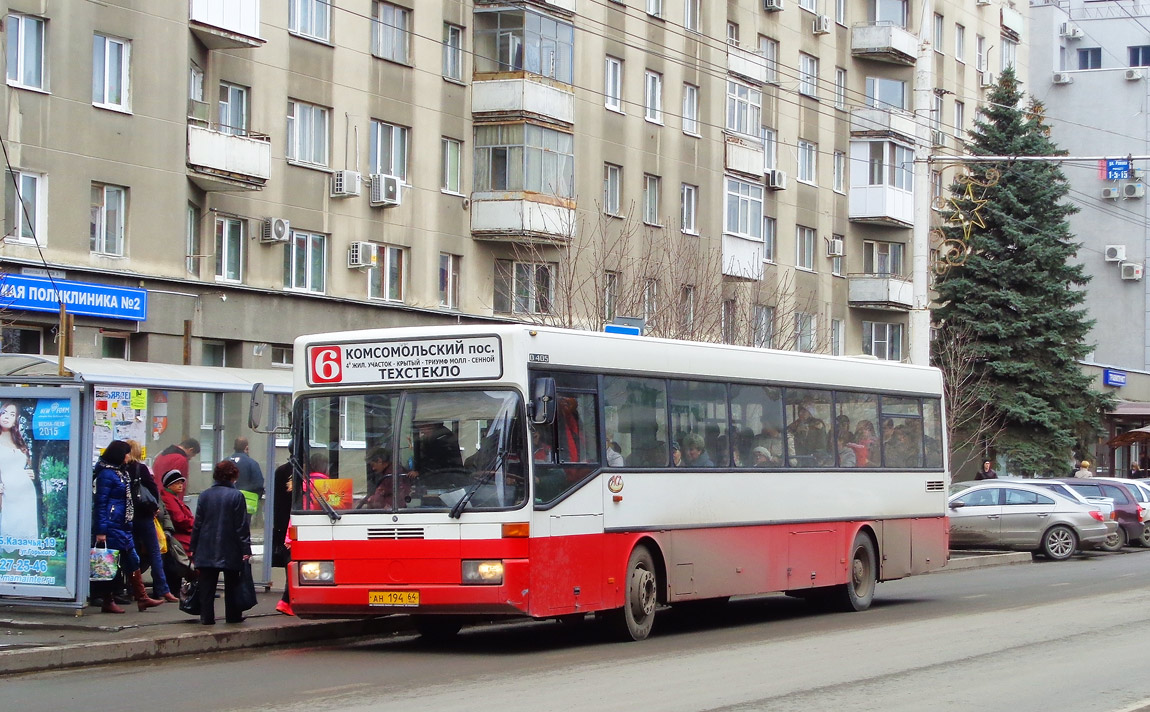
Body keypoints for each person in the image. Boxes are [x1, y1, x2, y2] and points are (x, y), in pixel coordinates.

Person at [91, 440, 164, 614]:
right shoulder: (107, 475)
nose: (128, 457)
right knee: (109, 563)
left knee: (132, 559)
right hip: (112, 524)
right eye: (126, 453)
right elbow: (101, 503)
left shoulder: (119, 472)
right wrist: (101, 530)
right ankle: (108, 599)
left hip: (122, 523)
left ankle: (141, 597)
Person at [191, 460, 253, 625]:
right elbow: (241, 526)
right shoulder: (237, 496)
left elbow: (198, 524)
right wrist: (246, 549)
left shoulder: (204, 495)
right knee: (232, 583)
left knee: (207, 586)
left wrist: (193, 547)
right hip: (230, 547)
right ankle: (232, 616)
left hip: (206, 546)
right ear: (233, 476)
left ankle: (207, 617)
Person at [125, 439, 177, 603]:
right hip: (145, 515)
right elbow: (153, 490)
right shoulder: (142, 469)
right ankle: (163, 589)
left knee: (131, 554)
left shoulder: (122, 469)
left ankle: (133, 588)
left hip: (128, 517)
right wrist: (154, 508)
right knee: (155, 552)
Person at [0, 401, 38, 547]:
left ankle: (19, 570)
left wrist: (28, 473)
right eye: (4, 412)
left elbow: (19, 464)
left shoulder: (18, 441)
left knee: (23, 542)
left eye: (12, 414)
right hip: (7, 494)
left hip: (25, 494)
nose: (7, 417)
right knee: (9, 535)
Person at [159, 468, 195, 595]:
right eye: (176, 483)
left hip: (180, 533)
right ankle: (196, 585)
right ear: (169, 485)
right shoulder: (168, 498)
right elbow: (179, 519)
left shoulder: (172, 497)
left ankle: (197, 585)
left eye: (181, 482)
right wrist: (194, 524)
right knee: (194, 552)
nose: (180, 485)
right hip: (178, 535)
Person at [272, 457, 293, 616]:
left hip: (284, 524)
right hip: (291, 525)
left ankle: (287, 600)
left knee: (289, 563)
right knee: (292, 564)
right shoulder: (303, 472)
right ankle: (287, 600)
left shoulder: (281, 471)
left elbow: (277, 503)